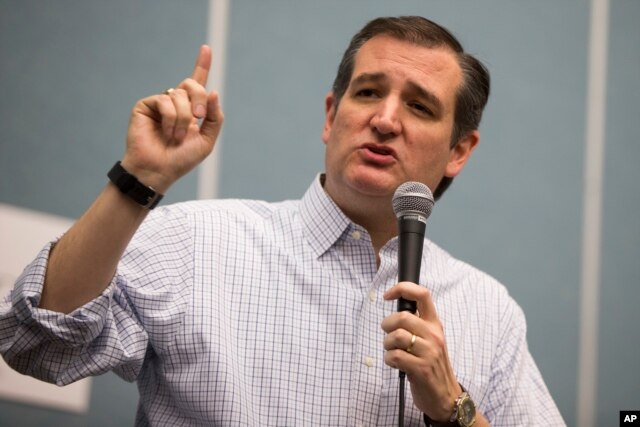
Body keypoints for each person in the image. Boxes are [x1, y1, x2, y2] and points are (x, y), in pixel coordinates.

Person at [0, 16, 565, 426]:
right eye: (368, 92)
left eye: (419, 106)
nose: (385, 119)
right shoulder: (199, 242)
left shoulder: (490, 313)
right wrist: (138, 178)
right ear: (331, 114)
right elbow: (33, 342)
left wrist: (454, 409)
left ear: (459, 152)